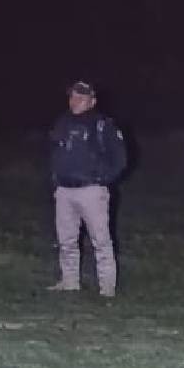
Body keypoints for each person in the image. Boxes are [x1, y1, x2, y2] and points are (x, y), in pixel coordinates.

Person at [48, 80, 127, 297]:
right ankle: (69, 281)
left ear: (92, 101)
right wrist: (55, 177)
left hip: (91, 190)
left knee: (100, 240)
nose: (75, 101)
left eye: (80, 98)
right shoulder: (62, 121)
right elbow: (54, 150)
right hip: (64, 189)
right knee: (66, 240)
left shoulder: (102, 124)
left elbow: (119, 158)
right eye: (72, 96)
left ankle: (107, 288)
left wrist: (102, 178)